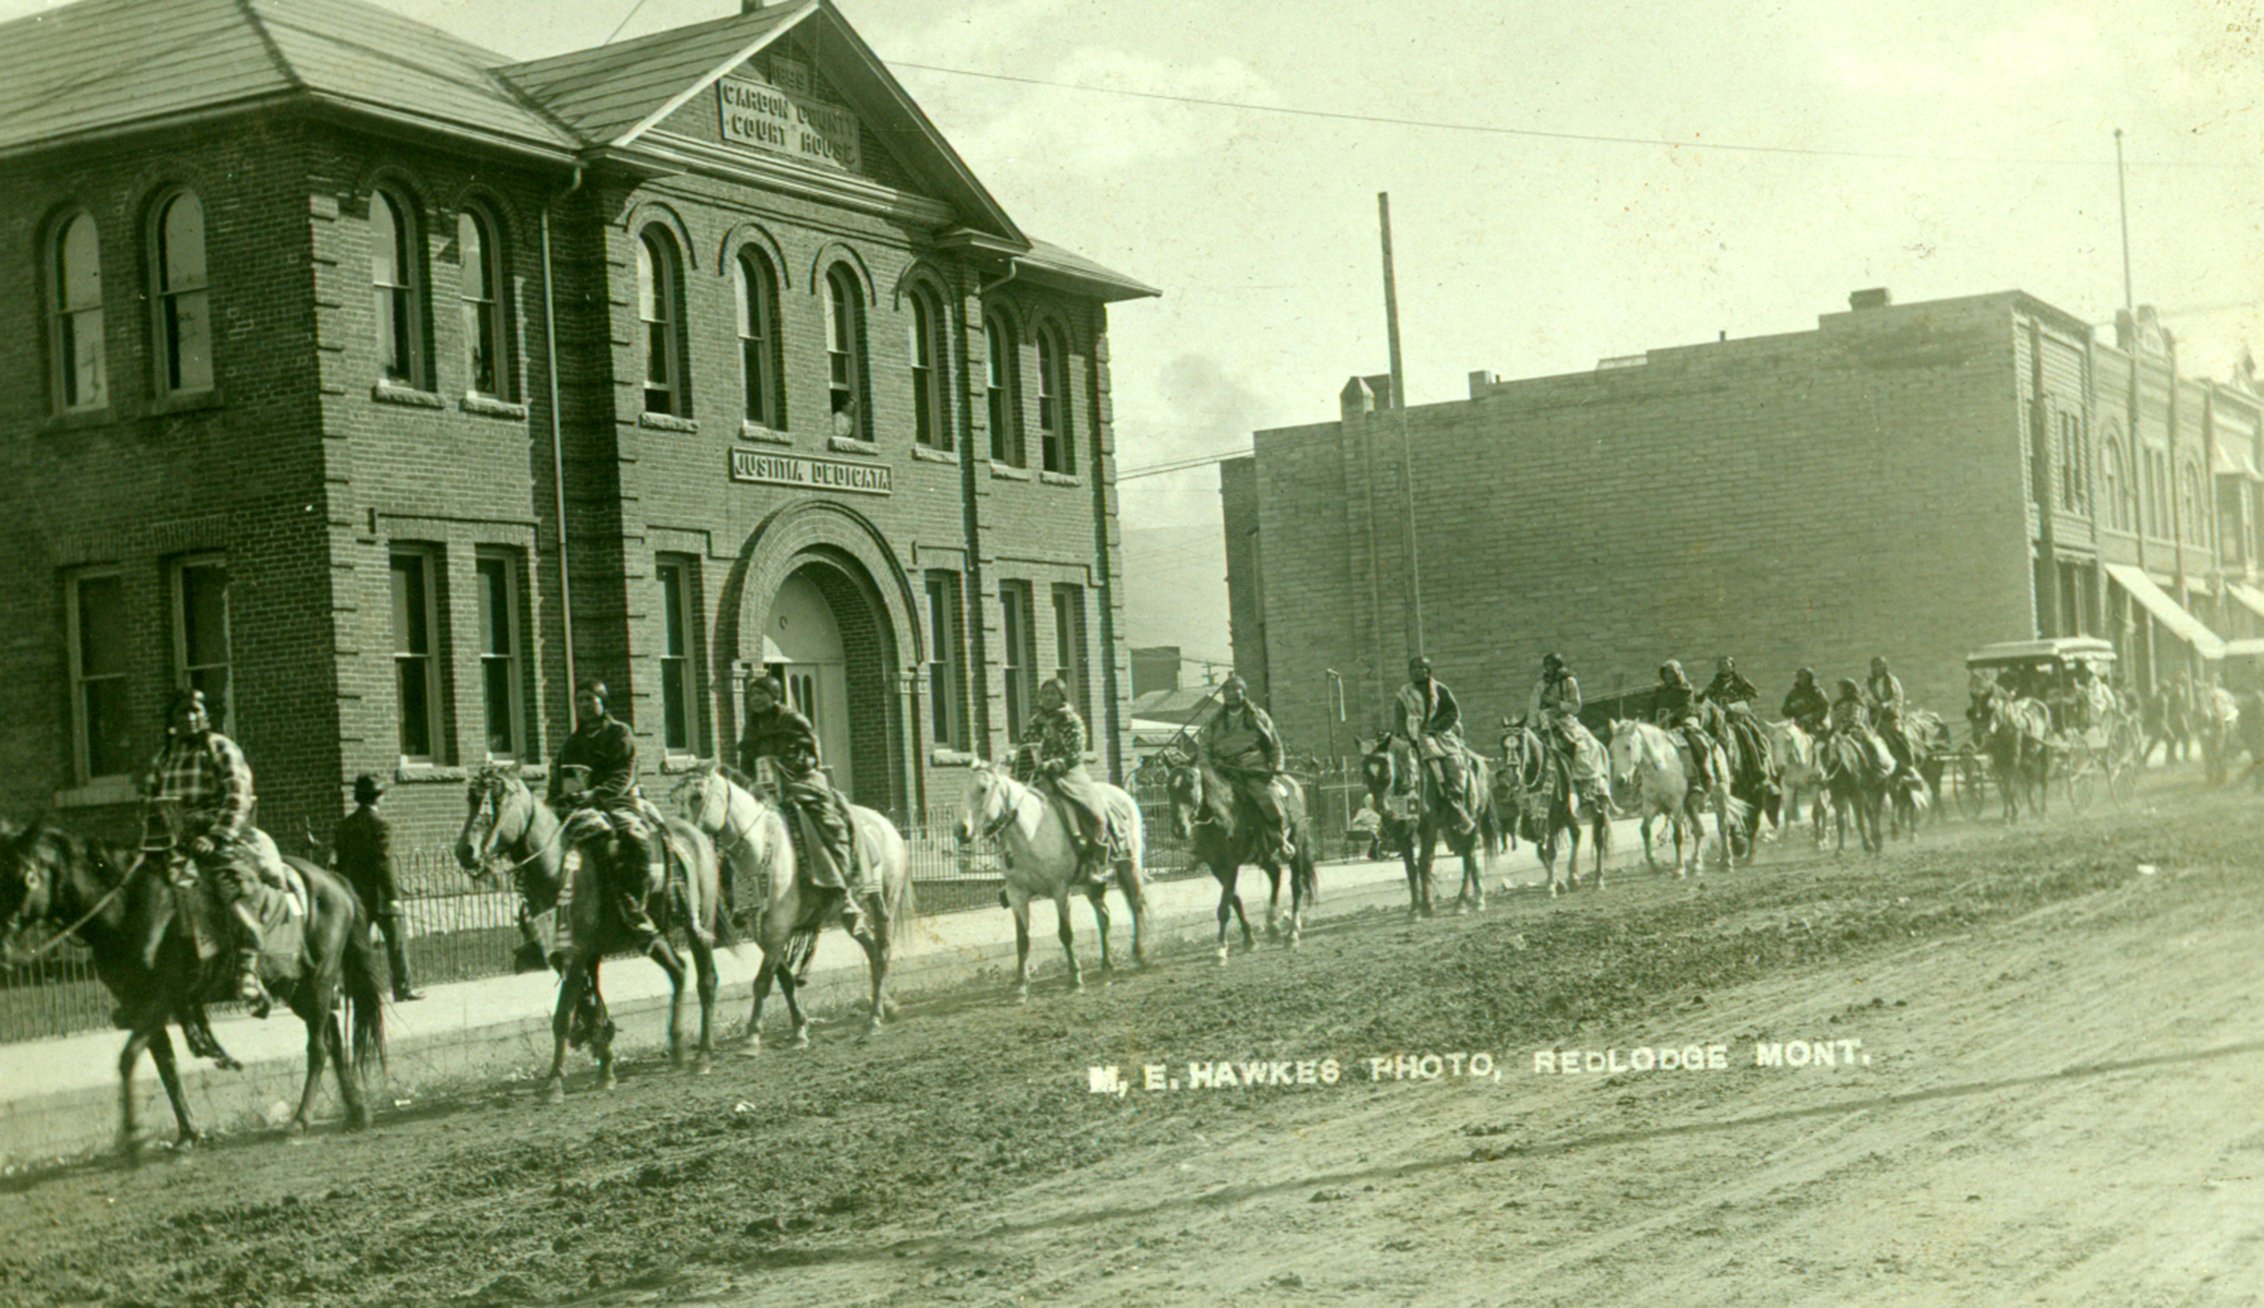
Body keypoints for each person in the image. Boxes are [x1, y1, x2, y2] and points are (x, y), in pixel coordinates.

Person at [144, 687, 270, 1014]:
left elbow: (237, 796)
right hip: (176, 844)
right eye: (181, 712)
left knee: (230, 890)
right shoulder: (164, 758)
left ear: (205, 716)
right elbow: (150, 805)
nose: (189, 717)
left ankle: (247, 970)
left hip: (219, 839)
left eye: (195, 711)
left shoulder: (220, 748)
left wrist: (215, 837)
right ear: (172, 720)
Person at [735, 674, 871, 936]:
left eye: (761, 694)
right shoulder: (750, 726)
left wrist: (787, 766)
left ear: (774, 695)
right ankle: (743, 899)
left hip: (801, 781)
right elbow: (746, 760)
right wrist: (750, 783)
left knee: (824, 820)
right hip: (765, 788)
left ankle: (842, 890)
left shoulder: (793, 720)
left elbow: (811, 753)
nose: (756, 700)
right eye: (752, 695)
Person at [545, 679, 661, 943]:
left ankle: (636, 906)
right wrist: (554, 802)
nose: (584, 705)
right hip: (581, 808)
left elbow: (623, 776)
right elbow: (559, 779)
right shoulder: (571, 743)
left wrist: (595, 794)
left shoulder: (620, 733)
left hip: (618, 802)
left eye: (590, 699)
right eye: (580, 700)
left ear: (603, 702)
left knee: (634, 838)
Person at [1015, 676, 1119, 886]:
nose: (1048, 698)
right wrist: (1020, 765)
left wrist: (1054, 764)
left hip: (1069, 774)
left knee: (1093, 811)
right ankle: (1018, 870)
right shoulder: (1034, 723)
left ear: (1062, 696)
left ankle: (1095, 860)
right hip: (1039, 775)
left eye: (1053, 694)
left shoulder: (1072, 721)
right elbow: (1025, 747)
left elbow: (1075, 753)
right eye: (1044, 694)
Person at [333, 773, 421, 1002]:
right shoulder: (382, 825)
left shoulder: (344, 826)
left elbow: (339, 862)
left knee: (355, 946)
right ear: (379, 797)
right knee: (396, 943)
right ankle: (402, 988)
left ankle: (350, 990)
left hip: (354, 895)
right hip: (381, 896)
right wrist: (393, 895)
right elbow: (383, 862)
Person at [1198, 674, 1295, 863]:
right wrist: (1208, 772)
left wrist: (1277, 766)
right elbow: (1203, 749)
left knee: (1264, 798)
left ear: (1244, 693)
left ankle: (1280, 840)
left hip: (1252, 769)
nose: (1232, 695)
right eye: (1227, 691)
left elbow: (1275, 744)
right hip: (1223, 772)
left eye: (1236, 691)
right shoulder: (1215, 721)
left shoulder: (1257, 716)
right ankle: (1202, 848)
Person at [1395, 656, 1476, 835]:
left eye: (1421, 668)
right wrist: (1403, 735)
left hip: (1438, 737)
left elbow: (1453, 713)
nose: (1416, 671)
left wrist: (1434, 727)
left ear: (1428, 670)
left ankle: (1456, 806)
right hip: (1410, 738)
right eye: (1413, 668)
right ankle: (1397, 820)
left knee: (1453, 764)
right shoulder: (1404, 693)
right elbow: (1399, 716)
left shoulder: (1440, 689)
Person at [1527, 652, 1606, 811]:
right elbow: (1533, 706)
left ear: (1558, 666)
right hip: (1544, 721)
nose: (1549, 669)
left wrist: (1557, 704)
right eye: (1547, 665)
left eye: (1552, 665)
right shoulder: (1540, 685)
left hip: (1565, 720)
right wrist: (1533, 726)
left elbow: (1576, 707)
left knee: (1579, 747)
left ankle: (1586, 787)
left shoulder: (1569, 682)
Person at [1651, 659, 1715, 788]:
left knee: (1693, 740)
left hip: (1680, 721)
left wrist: (1671, 716)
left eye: (1671, 673)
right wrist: (1651, 720)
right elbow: (1652, 706)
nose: (1668, 677)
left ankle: (1699, 774)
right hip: (1660, 723)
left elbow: (1687, 706)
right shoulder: (1659, 690)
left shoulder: (1685, 689)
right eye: (1666, 674)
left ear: (1677, 674)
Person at [1827, 677, 1897, 772]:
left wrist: (1845, 727)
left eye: (1842, 689)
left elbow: (1855, 718)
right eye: (1840, 689)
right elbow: (1834, 718)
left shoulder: (1858, 702)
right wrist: (1834, 728)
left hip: (1857, 729)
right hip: (1839, 730)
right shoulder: (1838, 704)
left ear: (1849, 689)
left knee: (1869, 743)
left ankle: (1877, 763)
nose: (1840, 691)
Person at [1864, 656, 1915, 776]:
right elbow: (1864, 695)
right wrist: (1873, 703)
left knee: (1895, 735)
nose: (1877, 668)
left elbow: (1898, 697)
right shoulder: (1867, 682)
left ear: (1885, 667)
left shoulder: (1892, 681)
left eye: (1880, 665)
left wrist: (1887, 705)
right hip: (1874, 716)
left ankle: (1904, 763)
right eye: (1875, 666)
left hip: (1890, 715)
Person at [1782, 667, 1830, 736]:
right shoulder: (1793, 693)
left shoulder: (1817, 692)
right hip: (1797, 724)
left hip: (1815, 724)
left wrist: (1811, 716)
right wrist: (1792, 707)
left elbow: (1825, 708)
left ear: (1809, 678)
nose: (1799, 679)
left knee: (1821, 742)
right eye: (1798, 676)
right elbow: (1784, 711)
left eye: (1802, 676)